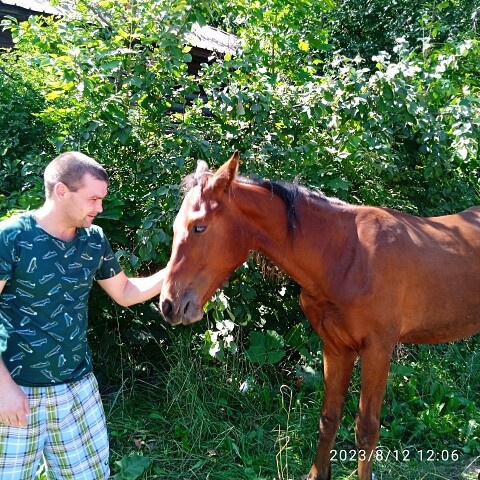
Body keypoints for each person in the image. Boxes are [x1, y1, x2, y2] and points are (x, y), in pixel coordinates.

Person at [0, 151, 165, 479]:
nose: (99, 208)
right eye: (93, 198)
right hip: (16, 389)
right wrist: (3, 388)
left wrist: (180, 269)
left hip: (78, 389)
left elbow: (126, 293)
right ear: (61, 191)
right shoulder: (12, 236)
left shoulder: (93, 241)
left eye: (102, 199)